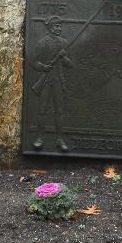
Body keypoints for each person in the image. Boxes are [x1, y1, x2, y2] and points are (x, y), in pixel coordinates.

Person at [30, 16, 72, 151]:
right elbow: (33, 61)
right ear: (50, 28)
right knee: (42, 110)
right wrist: (43, 67)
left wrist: (64, 57)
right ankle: (40, 137)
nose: (59, 29)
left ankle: (60, 139)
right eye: (56, 26)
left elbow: (70, 65)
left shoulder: (64, 43)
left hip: (59, 81)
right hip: (45, 81)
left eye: (60, 26)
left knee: (59, 111)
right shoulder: (42, 43)